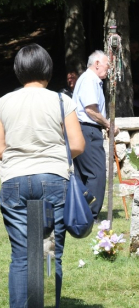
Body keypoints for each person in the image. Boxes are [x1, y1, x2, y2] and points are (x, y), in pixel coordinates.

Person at [0, 44, 85, 307]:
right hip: (52, 180)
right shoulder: (61, 100)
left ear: (18, 71)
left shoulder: (3, 102)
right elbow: (78, 144)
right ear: (47, 69)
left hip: (13, 179)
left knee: (22, 256)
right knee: (48, 252)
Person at [73, 50, 119, 221]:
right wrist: (108, 124)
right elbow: (90, 110)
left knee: (83, 175)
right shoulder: (89, 80)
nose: (109, 68)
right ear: (97, 63)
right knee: (96, 173)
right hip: (87, 129)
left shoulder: (91, 80)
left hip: (85, 129)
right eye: (108, 64)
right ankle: (89, 214)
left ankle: (79, 213)